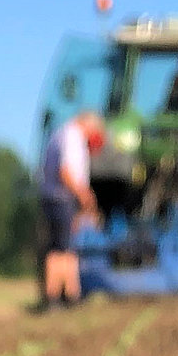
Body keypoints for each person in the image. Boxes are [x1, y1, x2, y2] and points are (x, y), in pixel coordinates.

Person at [38, 110, 105, 308]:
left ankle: (69, 296)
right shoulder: (72, 137)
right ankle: (55, 298)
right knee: (61, 249)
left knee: (65, 247)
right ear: (89, 126)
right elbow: (66, 172)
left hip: (57, 198)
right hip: (61, 199)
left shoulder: (62, 134)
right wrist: (84, 195)